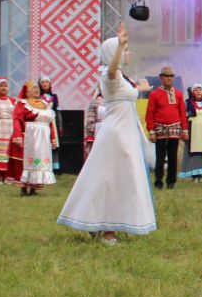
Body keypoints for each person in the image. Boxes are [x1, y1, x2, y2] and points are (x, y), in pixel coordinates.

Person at [59, 24, 158, 241]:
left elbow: (123, 91)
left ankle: (97, 222)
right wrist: (119, 47)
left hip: (124, 134)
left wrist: (139, 90)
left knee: (115, 179)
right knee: (114, 179)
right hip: (117, 136)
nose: (129, 52)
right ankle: (108, 230)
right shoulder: (109, 74)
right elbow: (112, 71)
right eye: (126, 49)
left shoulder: (122, 78)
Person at [145, 66, 187, 189]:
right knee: (160, 156)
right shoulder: (154, 94)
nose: (169, 79)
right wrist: (151, 131)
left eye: (171, 77)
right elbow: (150, 113)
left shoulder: (178, 94)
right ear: (161, 78)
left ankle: (171, 181)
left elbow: (182, 113)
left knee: (173, 156)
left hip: (175, 127)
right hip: (160, 128)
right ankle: (158, 181)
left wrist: (184, 130)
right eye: (166, 77)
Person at [15, 81, 58, 195]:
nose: (36, 90)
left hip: (44, 135)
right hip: (31, 134)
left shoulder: (44, 104)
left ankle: (34, 188)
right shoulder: (23, 103)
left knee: (40, 160)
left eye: (37, 88)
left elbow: (50, 123)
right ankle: (24, 188)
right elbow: (17, 119)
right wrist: (18, 135)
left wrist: (53, 138)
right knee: (29, 159)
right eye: (33, 88)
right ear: (27, 91)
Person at [181, 83, 202, 182]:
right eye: (196, 90)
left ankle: (201, 175)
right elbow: (183, 119)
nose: (198, 92)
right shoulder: (187, 104)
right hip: (193, 132)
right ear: (192, 92)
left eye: (200, 90)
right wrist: (184, 131)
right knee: (194, 154)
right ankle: (194, 175)